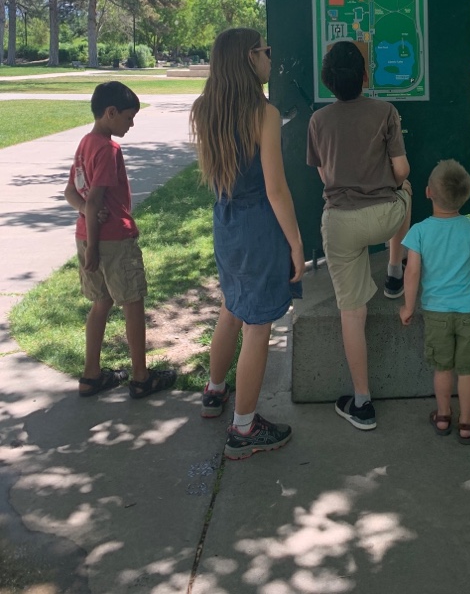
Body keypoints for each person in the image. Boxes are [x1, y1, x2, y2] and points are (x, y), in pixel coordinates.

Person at [190, 28, 305, 460]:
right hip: (259, 225)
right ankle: (243, 428)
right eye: (265, 50)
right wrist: (296, 243)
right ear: (249, 57)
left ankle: (214, 391)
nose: (270, 57)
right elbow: (276, 189)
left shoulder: (205, 109)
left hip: (226, 221)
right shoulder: (264, 114)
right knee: (258, 326)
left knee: (232, 306)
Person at [307, 40, 412, 430]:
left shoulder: (318, 121)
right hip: (385, 217)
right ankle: (394, 270)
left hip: (339, 223)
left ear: (327, 81)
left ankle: (363, 403)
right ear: (366, 76)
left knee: (352, 313)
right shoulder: (386, 112)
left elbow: (324, 174)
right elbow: (401, 171)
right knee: (408, 189)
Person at [64, 81, 176, 399]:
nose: (131, 124)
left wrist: (86, 219)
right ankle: (141, 378)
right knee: (133, 303)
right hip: (112, 240)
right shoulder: (108, 149)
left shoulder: (85, 143)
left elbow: (71, 193)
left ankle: (91, 376)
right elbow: (95, 200)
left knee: (101, 302)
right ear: (110, 112)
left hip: (85, 236)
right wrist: (94, 246)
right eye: (129, 117)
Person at [399, 160, 470, 444]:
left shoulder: (419, 232)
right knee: (468, 370)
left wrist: (408, 307)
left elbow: (412, 273)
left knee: (442, 368)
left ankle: (442, 415)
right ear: (466, 195)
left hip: (436, 311)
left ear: (428, 193)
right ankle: (466, 423)